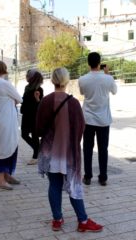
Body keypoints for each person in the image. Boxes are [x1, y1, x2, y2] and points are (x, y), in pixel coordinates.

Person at [36, 67, 103, 233]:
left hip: (50, 153)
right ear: (66, 81)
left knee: (54, 185)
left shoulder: (46, 101)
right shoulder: (73, 103)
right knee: (74, 185)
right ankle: (83, 220)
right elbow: (81, 127)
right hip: (68, 154)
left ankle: (57, 220)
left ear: (53, 80)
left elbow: (38, 128)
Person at [78, 52, 117, 186]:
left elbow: (82, 93)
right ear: (100, 63)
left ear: (88, 63)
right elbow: (114, 91)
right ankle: (103, 177)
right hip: (104, 120)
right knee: (103, 149)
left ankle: (87, 176)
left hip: (88, 118)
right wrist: (107, 74)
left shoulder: (82, 79)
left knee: (88, 148)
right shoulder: (108, 78)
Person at [0, 60, 23, 190]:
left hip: (1, 120)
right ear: (4, 69)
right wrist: (13, 100)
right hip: (7, 121)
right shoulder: (4, 83)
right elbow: (20, 99)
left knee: (8, 146)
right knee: (5, 148)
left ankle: (6, 174)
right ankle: (0, 179)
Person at [20, 69, 44, 165]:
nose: (26, 77)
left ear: (32, 78)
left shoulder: (39, 89)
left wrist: (37, 98)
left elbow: (42, 104)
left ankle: (35, 156)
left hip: (35, 115)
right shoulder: (27, 87)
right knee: (24, 134)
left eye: (28, 75)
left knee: (34, 136)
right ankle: (38, 149)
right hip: (26, 114)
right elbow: (24, 100)